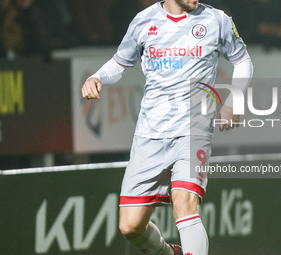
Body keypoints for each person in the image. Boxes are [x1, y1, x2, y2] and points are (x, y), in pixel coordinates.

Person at [82, 0, 253, 254]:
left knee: (184, 204)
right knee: (130, 227)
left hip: (194, 130)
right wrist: (96, 77)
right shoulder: (144, 21)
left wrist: (235, 100)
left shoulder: (217, 21)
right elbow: (120, 63)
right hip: (150, 134)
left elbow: (243, 61)